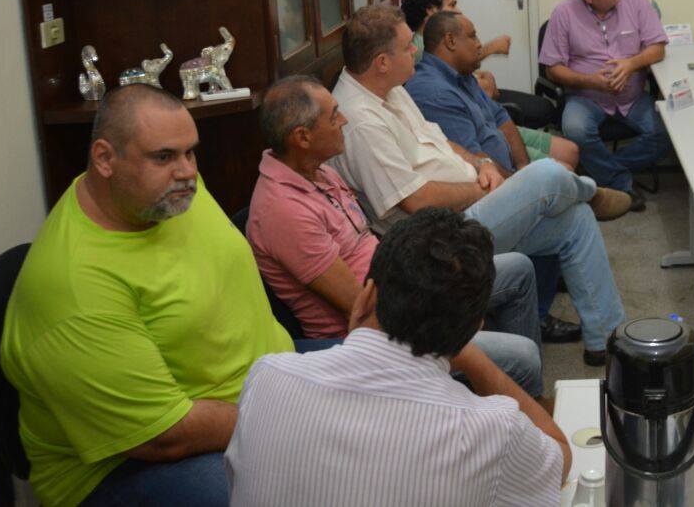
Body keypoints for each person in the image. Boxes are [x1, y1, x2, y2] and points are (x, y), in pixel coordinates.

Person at [0, 85, 292, 507]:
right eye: (164, 156)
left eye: (190, 153)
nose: (186, 171)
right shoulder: (74, 286)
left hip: (265, 384)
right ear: (105, 159)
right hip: (134, 464)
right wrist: (286, 418)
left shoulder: (167, 195)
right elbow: (162, 437)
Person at [329, 3, 629, 365]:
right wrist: (482, 188)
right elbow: (416, 201)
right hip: (434, 239)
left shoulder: (389, 88)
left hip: (467, 204)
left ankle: (605, 340)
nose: (416, 52)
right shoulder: (361, 122)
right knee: (548, 174)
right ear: (381, 62)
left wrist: (481, 163)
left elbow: (438, 140)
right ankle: (590, 192)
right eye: (408, 46)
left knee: (575, 219)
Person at [227, 208, 570, 506]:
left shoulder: (266, 378)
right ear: (471, 330)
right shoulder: (492, 431)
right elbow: (560, 458)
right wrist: (473, 357)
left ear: (366, 295)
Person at [246, 75, 545, 396]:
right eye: (333, 116)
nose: (344, 120)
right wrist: (441, 308)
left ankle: (506, 404)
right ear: (302, 137)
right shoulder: (284, 211)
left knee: (518, 269)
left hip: (401, 291)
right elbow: (360, 309)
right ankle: (510, 409)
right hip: (376, 338)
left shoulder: (320, 171)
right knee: (522, 356)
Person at [540, 0, 670, 206]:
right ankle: (621, 182)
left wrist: (630, 64)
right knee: (576, 130)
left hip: (632, 97)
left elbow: (658, 49)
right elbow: (553, 69)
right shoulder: (564, 13)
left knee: (665, 132)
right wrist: (591, 81)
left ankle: (600, 173)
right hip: (586, 97)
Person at [403, 0, 570, 165]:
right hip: (484, 139)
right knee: (563, 163)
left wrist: (524, 167)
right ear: (431, 11)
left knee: (568, 153)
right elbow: (485, 90)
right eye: (452, 5)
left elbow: (494, 103)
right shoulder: (421, 56)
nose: (458, 10)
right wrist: (490, 53)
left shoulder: (449, 58)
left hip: (489, 123)